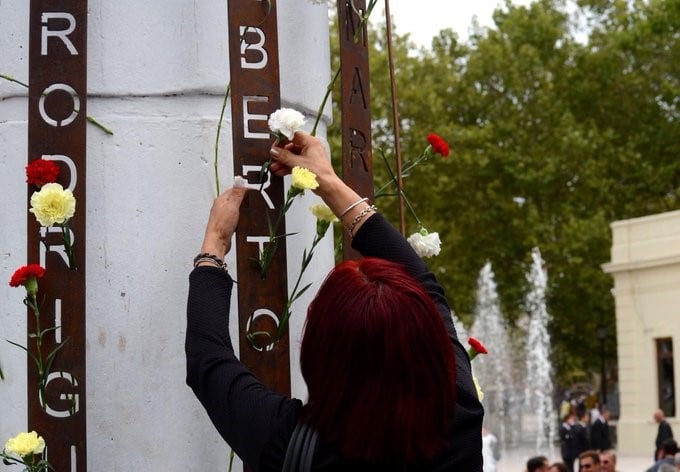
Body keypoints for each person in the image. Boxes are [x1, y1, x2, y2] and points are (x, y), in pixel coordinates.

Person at [185, 132, 485, 470]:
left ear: (318, 351)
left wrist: (216, 241)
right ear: (427, 340)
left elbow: (208, 359)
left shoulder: (292, 444)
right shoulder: (460, 415)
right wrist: (326, 181)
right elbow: (425, 287)